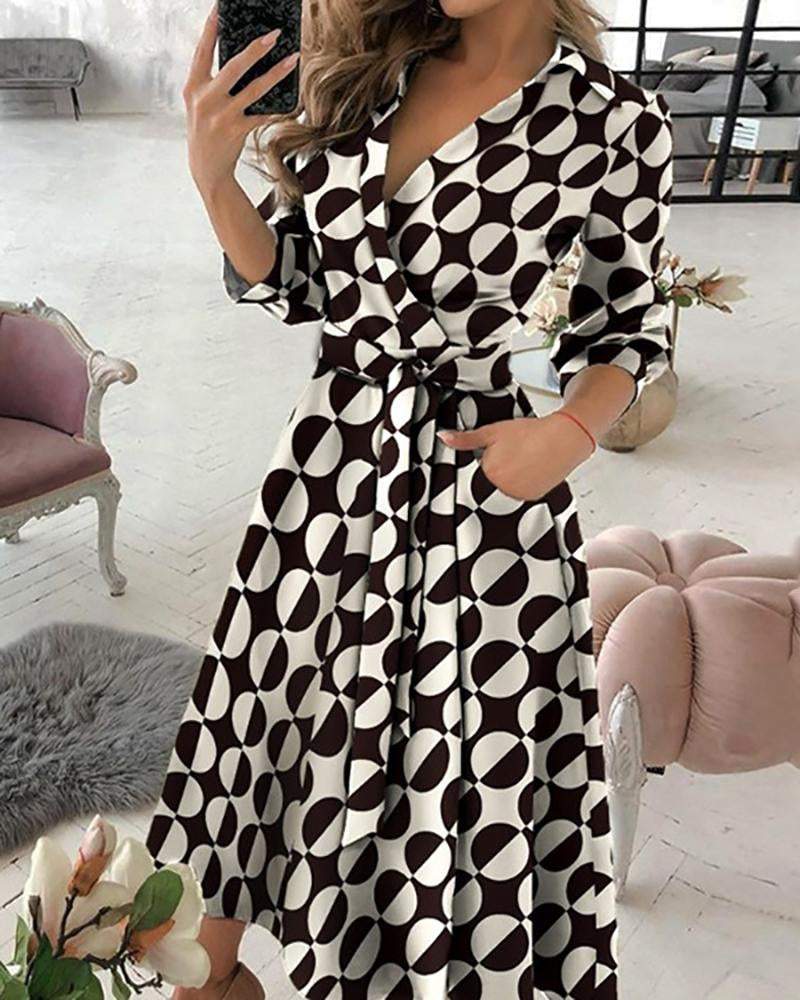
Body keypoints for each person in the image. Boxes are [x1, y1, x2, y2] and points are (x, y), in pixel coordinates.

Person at [147, 1, 673, 998]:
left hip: (480, 506)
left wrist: (566, 435)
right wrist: (214, 181)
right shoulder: (371, 71)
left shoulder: (614, 120)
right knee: (242, 809)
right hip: (324, 482)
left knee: (436, 820)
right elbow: (301, 282)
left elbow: (627, 329)